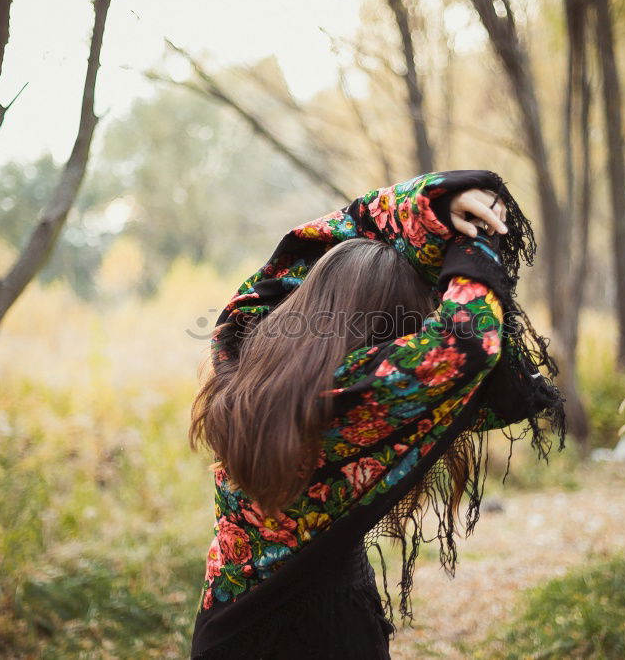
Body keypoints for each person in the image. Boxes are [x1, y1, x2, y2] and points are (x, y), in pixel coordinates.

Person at [188, 170, 566, 659]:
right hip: (316, 635)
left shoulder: (239, 357)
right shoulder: (350, 401)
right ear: (389, 331)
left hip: (225, 633)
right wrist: (476, 244)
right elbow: (465, 347)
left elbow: (297, 250)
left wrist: (431, 207)